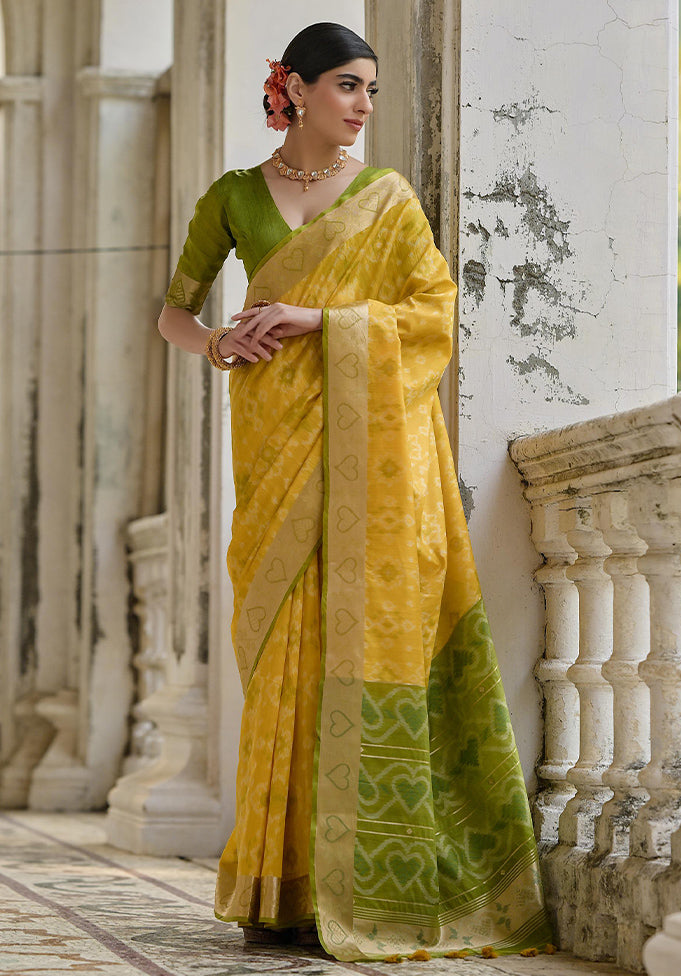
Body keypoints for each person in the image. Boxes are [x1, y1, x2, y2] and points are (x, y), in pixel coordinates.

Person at [158, 21, 553, 964]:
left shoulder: (388, 200)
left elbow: (432, 315)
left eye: (372, 88)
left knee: (358, 639)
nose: (364, 105)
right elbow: (176, 309)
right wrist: (217, 343)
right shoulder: (233, 198)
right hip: (274, 442)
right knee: (282, 645)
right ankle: (275, 886)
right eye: (346, 86)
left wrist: (315, 316)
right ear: (292, 89)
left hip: (370, 460)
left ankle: (369, 875)